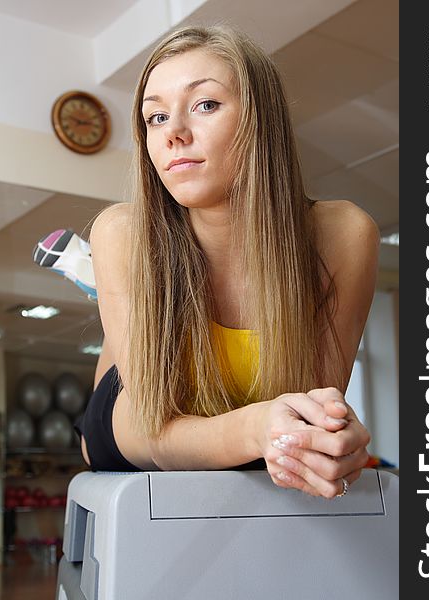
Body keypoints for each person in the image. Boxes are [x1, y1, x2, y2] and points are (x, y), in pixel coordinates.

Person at [34, 25, 379, 499]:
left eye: (205, 105)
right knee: (110, 444)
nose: (173, 133)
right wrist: (260, 427)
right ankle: (119, 289)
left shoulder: (344, 234)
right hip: (140, 414)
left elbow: (302, 420)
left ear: (261, 120)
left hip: (237, 411)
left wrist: (329, 440)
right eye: (154, 117)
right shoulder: (122, 231)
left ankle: (116, 292)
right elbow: (155, 434)